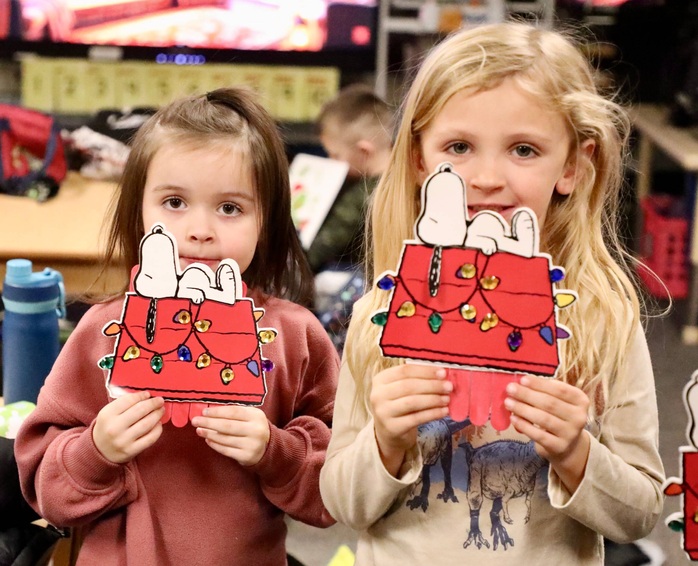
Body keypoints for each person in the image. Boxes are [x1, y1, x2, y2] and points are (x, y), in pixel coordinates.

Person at [319, 22, 665, 564]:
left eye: (523, 149)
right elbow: (342, 503)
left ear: (572, 166)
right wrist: (384, 441)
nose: (484, 177)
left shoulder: (605, 321)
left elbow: (640, 512)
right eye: (458, 147)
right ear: (417, 160)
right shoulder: (379, 316)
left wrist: (576, 453)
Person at [14, 87, 340, 565]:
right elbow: (45, 490)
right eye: (173, 202)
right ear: (139, 210)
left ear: (266, 222)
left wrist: (276, 451)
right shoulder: (103, 330)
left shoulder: (295, 337)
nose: (199, 229)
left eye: (230, 208)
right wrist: (97, 449)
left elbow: (338, 492)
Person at [306, 83, 393, 273]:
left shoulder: (363, 195)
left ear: (363, 151)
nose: (332, 162)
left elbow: (318, 250)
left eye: (336, 155)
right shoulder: (411, 180)